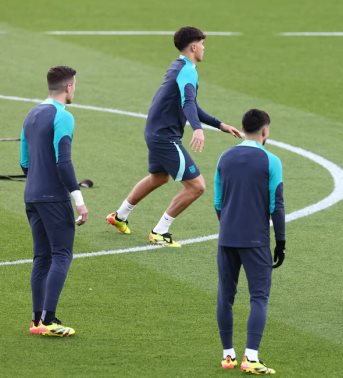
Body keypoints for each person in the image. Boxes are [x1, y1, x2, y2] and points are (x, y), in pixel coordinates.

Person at [106, 26, 240, 246]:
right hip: (164, 136)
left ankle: (119, 216)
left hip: (155, 131)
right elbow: (187, 102)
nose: (204, 48)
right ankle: (160, 231)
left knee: (159, 177)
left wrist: (220, 124)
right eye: (203, 44)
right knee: (197, 186)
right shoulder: (188, 71)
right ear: (194, 46)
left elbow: (191, 103)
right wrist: (197, 128)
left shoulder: (178, 65)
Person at [214, 109, 285, 374]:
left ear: (243, 128)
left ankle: (228, 355)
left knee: (226, 295)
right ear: (264, 131)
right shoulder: (271, 161)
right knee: (258, 297)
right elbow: (276, 205)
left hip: (227, 237)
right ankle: (251, 357)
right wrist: (281, 241)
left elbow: (218, 203)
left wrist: (230, 225)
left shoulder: (225, 157)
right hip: (255, 240)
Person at [20, 66, 88, 336]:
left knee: (42, 256)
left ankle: (37, 321)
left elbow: (24, 162)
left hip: (32, 195)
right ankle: (49, 321)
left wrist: (36, 181)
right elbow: (64, 161)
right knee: (61, 254)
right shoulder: (63, 116)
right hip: (52, 197)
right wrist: (79, 200)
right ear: (69, 87)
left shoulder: (31, 114)